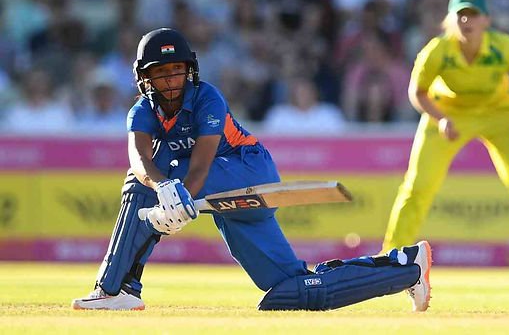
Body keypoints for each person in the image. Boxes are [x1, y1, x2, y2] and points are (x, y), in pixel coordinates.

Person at [71, 28, 432, 312]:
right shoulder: (142, 111)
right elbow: (139, 160)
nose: (170, 81)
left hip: (248, 171)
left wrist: (179, 196)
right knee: (291, 291)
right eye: (161, 73)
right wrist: (165, 187)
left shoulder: (207, 98)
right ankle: (405, 268)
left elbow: (201, 164)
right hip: (224, 202)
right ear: (144, 79)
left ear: (189, 71)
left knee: (156, 177)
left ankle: (116, 288)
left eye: (176, 71)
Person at [381, 0, 509, 296]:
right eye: (461, 14)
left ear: (486, 20)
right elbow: (417, 91)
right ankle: (389, 266)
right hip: (448, 115)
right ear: (449, 20)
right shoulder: (437, 50)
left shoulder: (502, 46)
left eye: (474, 14)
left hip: (500, 115)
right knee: (417, 187)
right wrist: (440, 118)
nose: (467, 20)